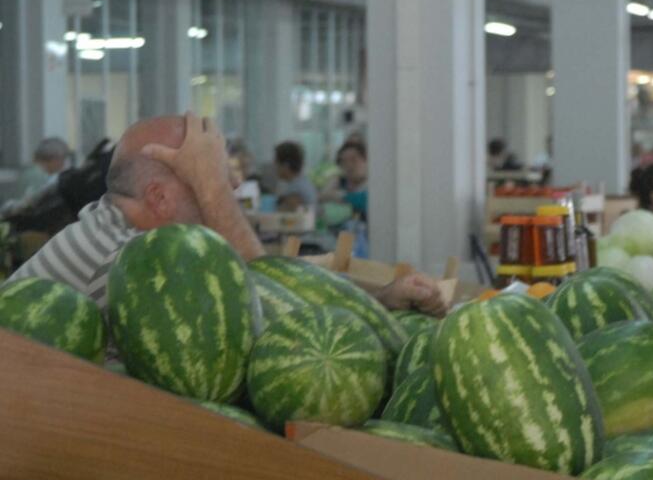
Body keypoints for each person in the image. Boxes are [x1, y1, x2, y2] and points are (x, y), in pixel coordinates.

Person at [3, 113, 446, 318]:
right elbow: (283, 312)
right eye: (213, 177)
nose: (232, 188)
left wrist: (381, 300)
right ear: (158, 198)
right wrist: (210, 188)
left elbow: (262, 286)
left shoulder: (122, 221)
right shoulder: (126, 257)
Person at [273, 141, 318, 211]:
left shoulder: (295, 191)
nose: (275, 167)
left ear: (285, 166)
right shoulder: (302, 182)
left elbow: (282, 215)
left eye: (277, 163)